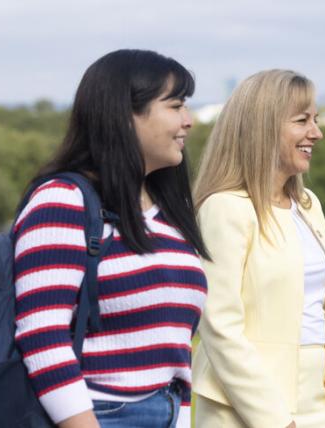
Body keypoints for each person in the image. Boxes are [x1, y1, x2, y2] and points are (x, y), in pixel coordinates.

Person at [13, 49, 209, 428]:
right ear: (125, 115)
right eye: (175, 106)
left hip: (165, 411)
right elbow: (41, 333)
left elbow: (175, 351)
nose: (189, 121)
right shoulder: (63, 200)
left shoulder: (170, 214)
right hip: (97, 414)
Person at [191, 69, 325, 428]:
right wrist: (275, 420)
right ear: (262, 127)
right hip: (245, 409)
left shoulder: (309, 204)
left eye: (316, 119)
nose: (317, 132)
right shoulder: (224, 208)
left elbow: (319, 313)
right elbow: (220, 327)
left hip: (320, 406)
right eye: (302, 120)